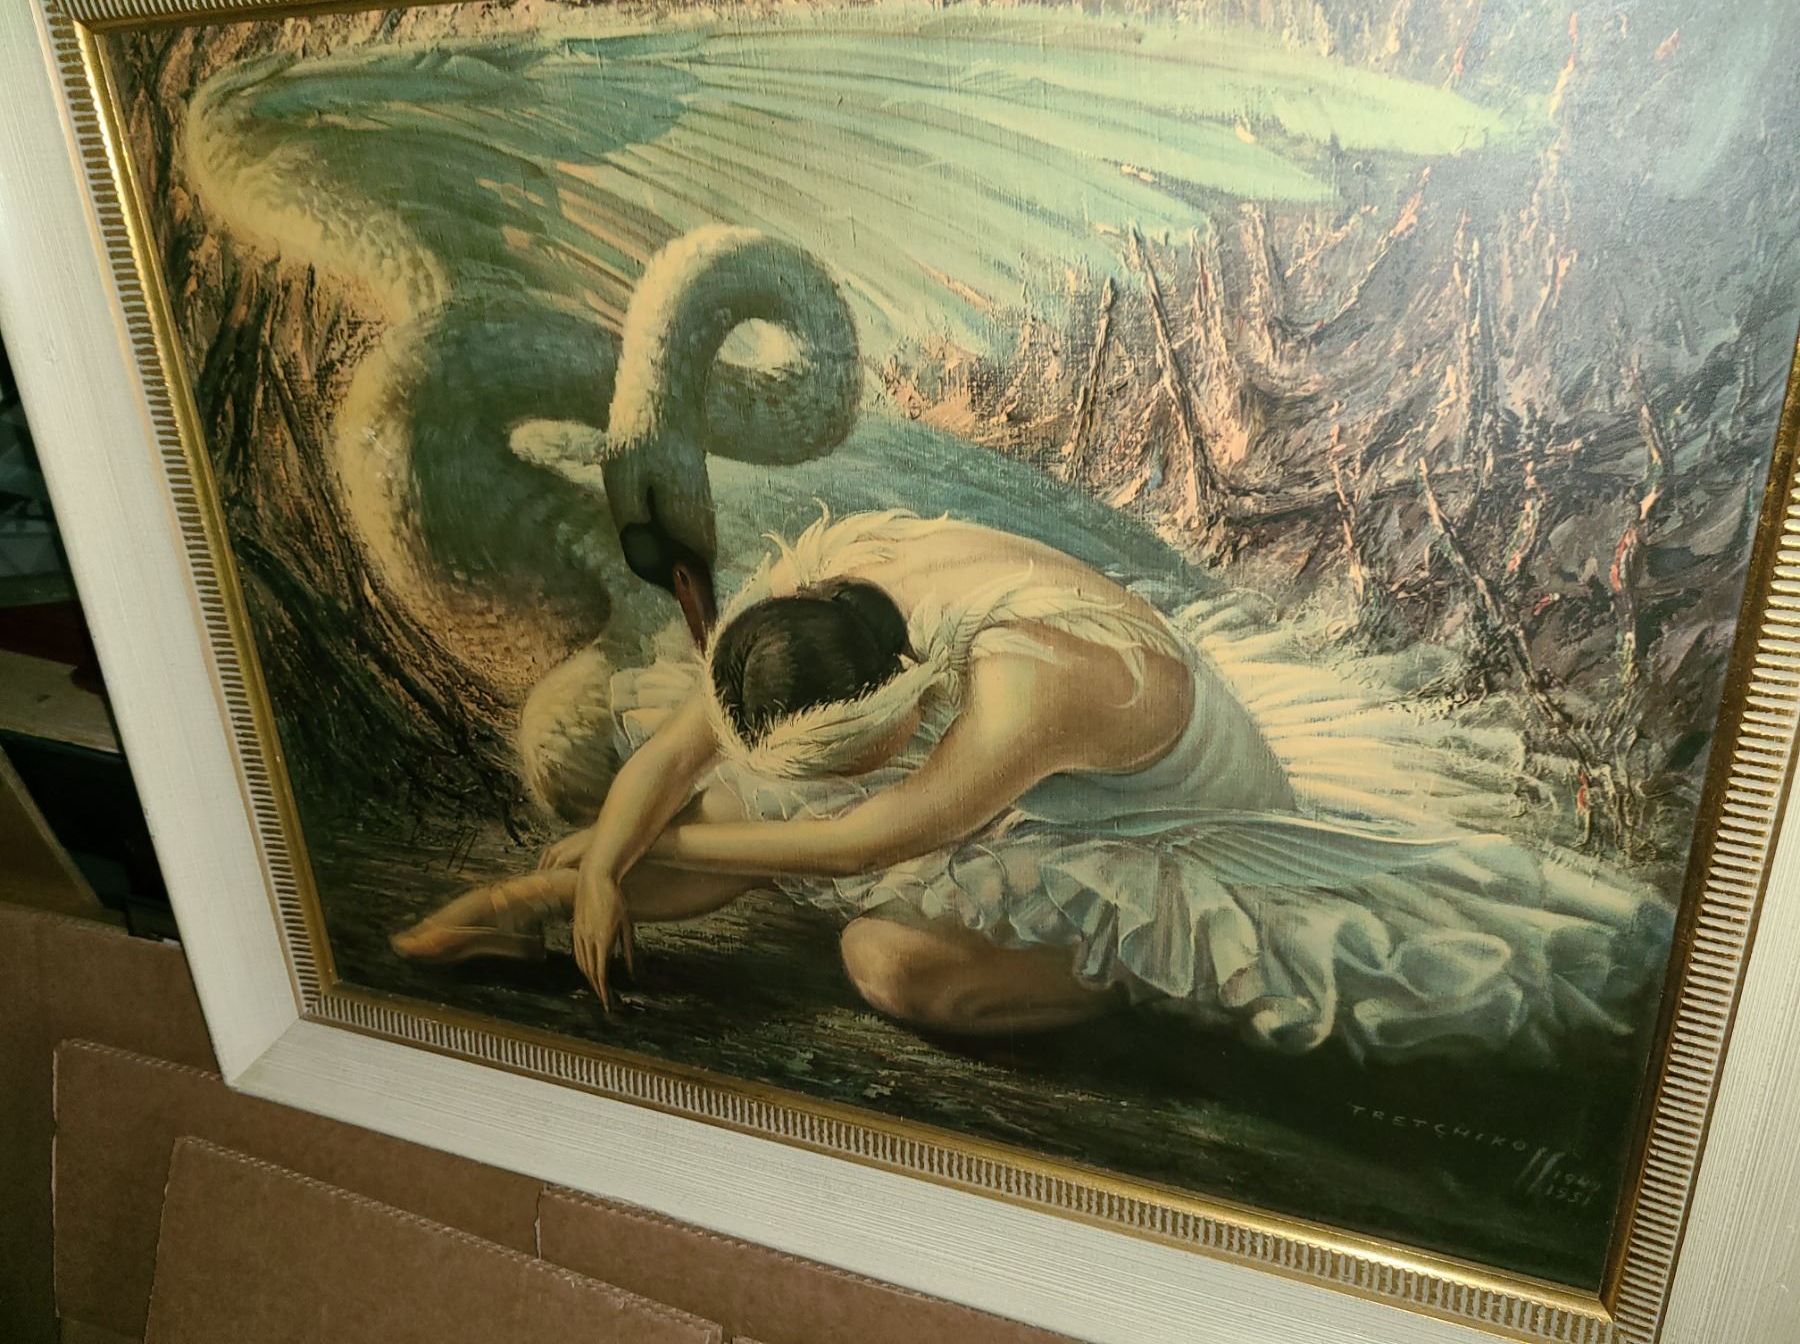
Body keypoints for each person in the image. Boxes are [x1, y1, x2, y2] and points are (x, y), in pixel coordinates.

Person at [393, 510, 1671, 1061]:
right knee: (726, 806)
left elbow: (857, 844)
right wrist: (593, 872)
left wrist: (623, 860)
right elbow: (683, 751)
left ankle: (1130, 983)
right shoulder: (821, 592)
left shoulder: (1028, 687)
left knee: (891, 964)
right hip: (1007, 785)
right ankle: (521, 922)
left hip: (1161, 834)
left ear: (903, 705)